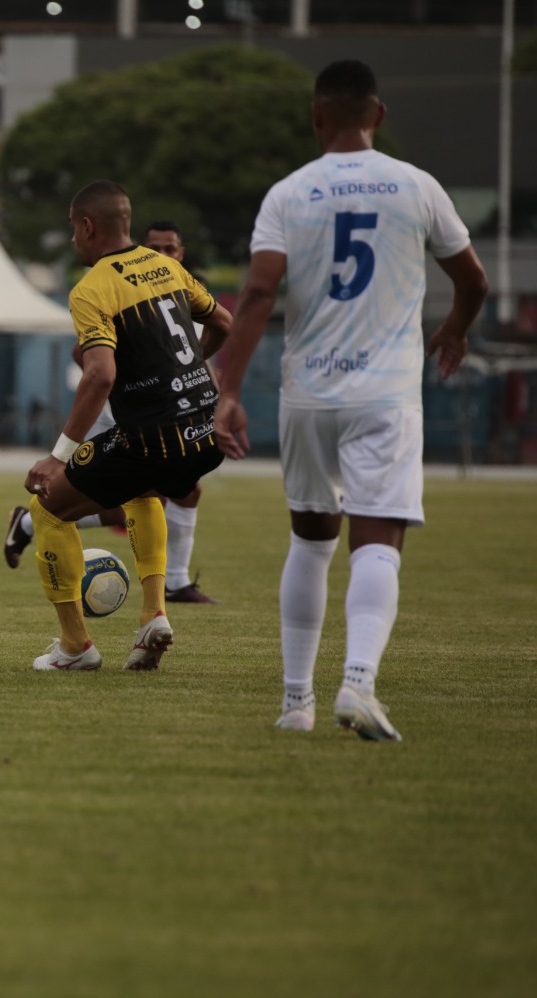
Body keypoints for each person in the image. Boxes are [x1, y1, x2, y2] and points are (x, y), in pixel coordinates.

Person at [211, 60, 488, 740]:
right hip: (386, 396)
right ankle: (358, 683)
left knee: (309, 541)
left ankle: (295, 703)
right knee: (376, 542)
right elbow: (472, 278)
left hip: (309, 395)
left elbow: (256, 295)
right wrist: (454, 329)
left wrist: (228, 389)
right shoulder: (416, 185)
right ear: (379, 115)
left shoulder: (288, 193)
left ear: (316, 116)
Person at [24, 180, 232, 672]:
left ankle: (76, 647)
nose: (74, 239)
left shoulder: (92, 288)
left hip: (153, 435)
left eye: (74, 229)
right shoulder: (170, 267)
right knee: (143, 490)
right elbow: (223, 322)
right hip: (205, 429)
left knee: (47, 510)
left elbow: (99, 374)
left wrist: (56, 457)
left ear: (87, 226)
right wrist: (186, 374)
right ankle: (153, 616)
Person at [3, 220, 220, 605]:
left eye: (170, 249)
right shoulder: (113, 287)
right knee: (127, 496)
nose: (163, 255)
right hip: (115, 412)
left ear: (181, 253)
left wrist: (182, 373)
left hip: (157, 411)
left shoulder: (167, 279)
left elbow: (217, 328)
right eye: (156, 246)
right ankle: (161, 598)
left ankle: (149, 604)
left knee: (164, 492)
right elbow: (93, 366)